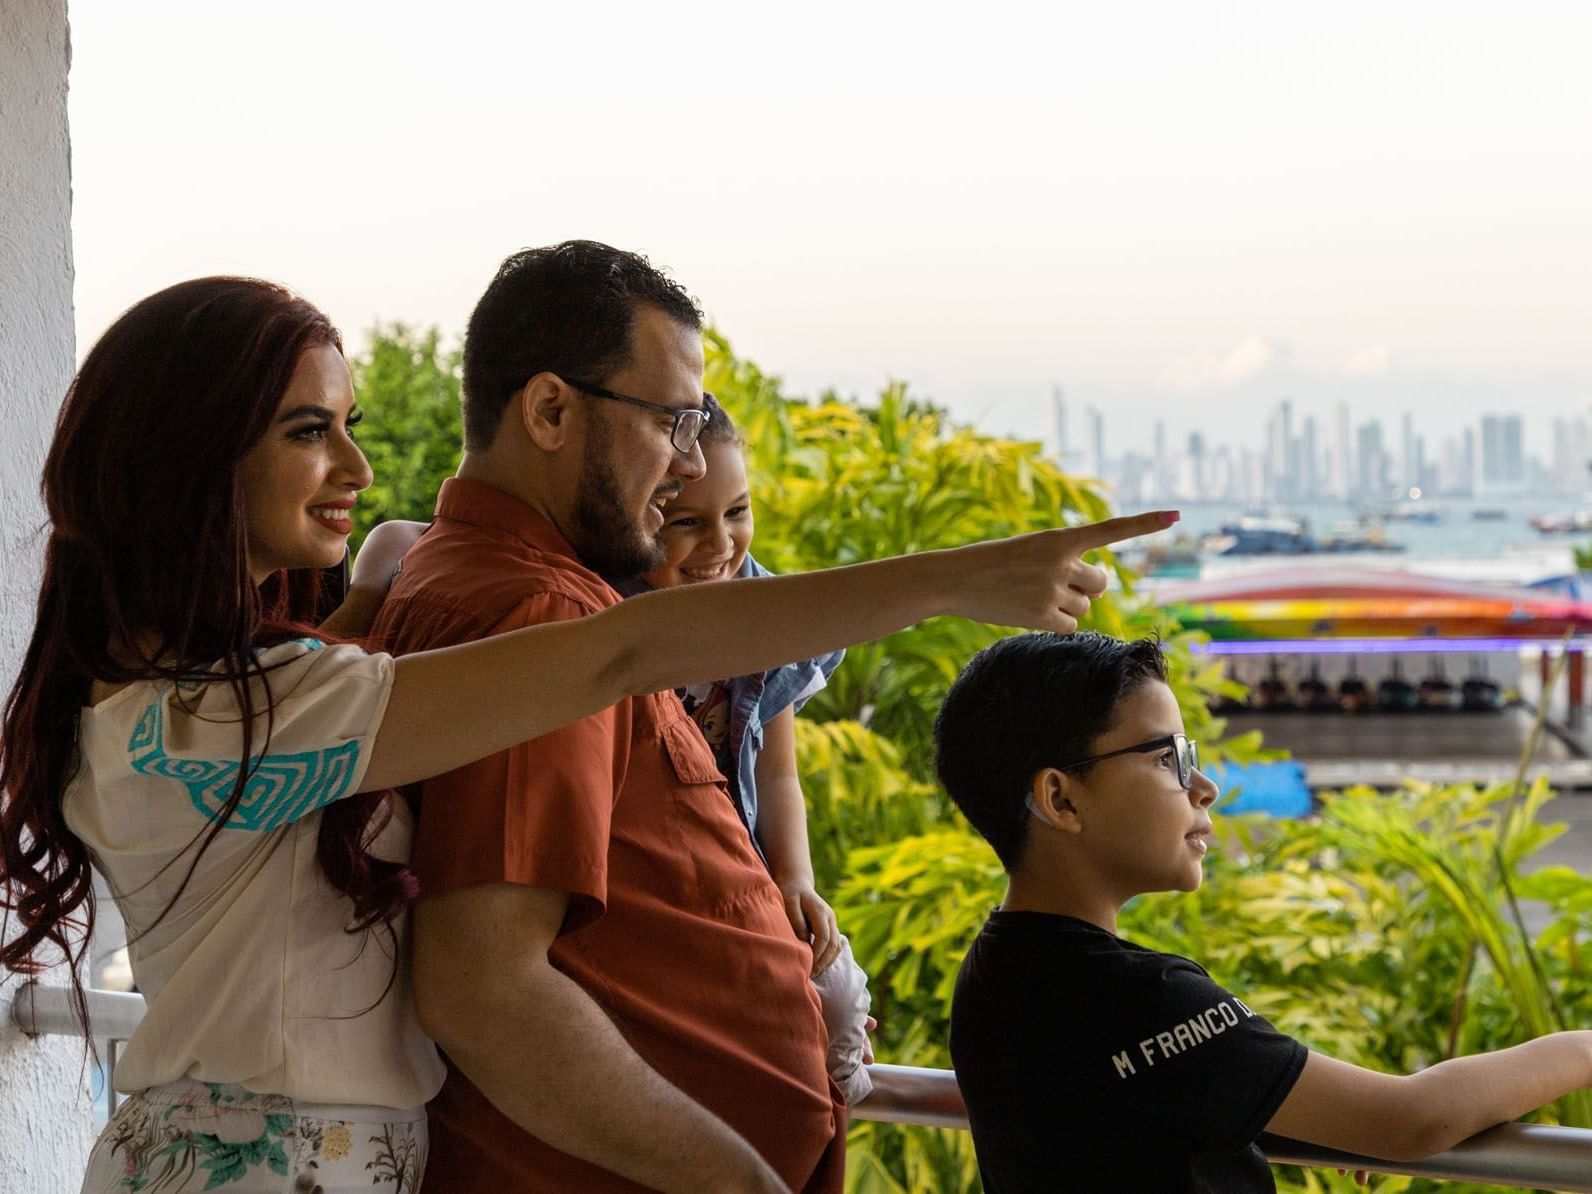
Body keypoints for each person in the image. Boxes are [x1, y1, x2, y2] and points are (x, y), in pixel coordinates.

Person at [0, 274, 1170, 1194]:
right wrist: (956, 581)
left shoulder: (202, 698)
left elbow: (366, 630)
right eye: (312, 431)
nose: (356, 465)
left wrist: (378, 574)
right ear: (191, 460)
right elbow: (624, 649)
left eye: (349, 424)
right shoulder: (235, 722)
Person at [370, 240, 1171, 1193]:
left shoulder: (506, 586)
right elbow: (484, 988)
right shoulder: (535, 610)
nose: (682, 463)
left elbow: (715, 631)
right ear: (548, 409)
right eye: (670, 421)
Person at [936, 630, 1592, 1194]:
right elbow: (1409, 1120)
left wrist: (1340, 1123)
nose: (1205, 787)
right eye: (1167, 758)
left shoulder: (999, 970)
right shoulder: (1134, 995)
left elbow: (1114, 1118)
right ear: (1061, 799)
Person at [628, 395, 872, 1105]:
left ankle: (844, 1081)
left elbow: (779, 768)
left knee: (836, 988)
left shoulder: (766, 611)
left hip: (745, 872)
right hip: (663, 887)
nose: (721, 544)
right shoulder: (606, 619)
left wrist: (795, 879)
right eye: (687, 523)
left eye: (737, 512)